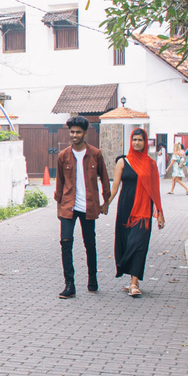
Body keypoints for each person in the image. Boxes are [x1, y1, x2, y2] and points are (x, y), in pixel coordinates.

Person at [51, 117, 111, 298]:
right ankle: (69, 285)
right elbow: (59, 183)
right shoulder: (63, 156)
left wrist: (105, 202)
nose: (74, 135)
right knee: (65, 243)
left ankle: (92, 278)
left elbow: (105, 178)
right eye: (72, 132)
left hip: (89, 206)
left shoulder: (95, 154)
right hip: (68, 206)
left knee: (90, 244)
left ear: (85, 133)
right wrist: (59, 207)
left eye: (78, 132)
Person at [113, 126, 166, 295]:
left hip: (144, 210)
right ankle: (129, 277)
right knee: (126, 243)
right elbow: (115, 187)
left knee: (138, 244)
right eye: (134, 140)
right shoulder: (123, 162)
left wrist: (159, 213)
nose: (137, 143)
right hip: (125, 209)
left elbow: (155, 190)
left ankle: (134, 283)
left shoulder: (150, 164)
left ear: (145, 143)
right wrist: (105, 204)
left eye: (140, 140)